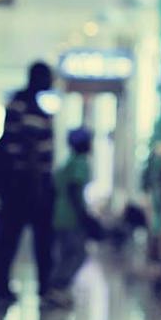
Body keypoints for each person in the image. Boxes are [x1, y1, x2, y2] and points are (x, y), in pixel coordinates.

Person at [0, 61, 58, 307]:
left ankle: (31, 287)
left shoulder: (24, 105)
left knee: (21, 236)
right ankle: (6, 286)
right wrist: (38, 187)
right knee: (17, 236)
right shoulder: (25, 107)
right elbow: (28, 149)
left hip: (28, 183)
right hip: (24, 184)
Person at [46, 128, 99, 306]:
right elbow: (74, 189)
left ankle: (56, 287)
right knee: (76, 254)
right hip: (71, 217)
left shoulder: (68, 161)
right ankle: (58, 287)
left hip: (60, 215)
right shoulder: (80, 162)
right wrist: (84, 216)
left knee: (66, 253)